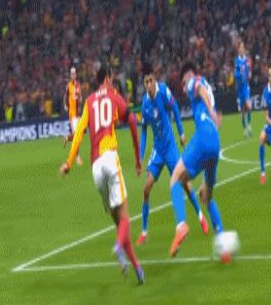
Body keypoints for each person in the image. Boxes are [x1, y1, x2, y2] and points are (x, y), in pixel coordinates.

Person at [60, 65, 145, 284]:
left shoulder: (88, 102)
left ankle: (136, 267)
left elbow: (79, 132)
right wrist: (137, 158)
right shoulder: (113, 95)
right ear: (106, 79)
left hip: (96, 167)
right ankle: (118, 248)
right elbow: (132, 121)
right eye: (111, 79)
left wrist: (69, 163)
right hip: (110, 158)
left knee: (119, 224)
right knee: (125, 217)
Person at [136, 62, 208, 246]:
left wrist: (181, 132)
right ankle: (144, 231)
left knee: (185, 184)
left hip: (170, 148)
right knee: (146, 189)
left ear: (155, 80)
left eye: (151, 80)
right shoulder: (144, 104)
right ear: (144, 84)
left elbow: (175, 109)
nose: (149, 84)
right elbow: (143, 132)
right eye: (146, 82)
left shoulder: (163, 91)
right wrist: (140, 157)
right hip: (157, 150)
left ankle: (200, 216)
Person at [168, 62, 225, 257]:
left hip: (203, 137)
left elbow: (198, 89)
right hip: (215, 143)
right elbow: (204, 92)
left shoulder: (195, 81)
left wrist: (212, 112)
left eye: (184, 83)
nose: (184, 88)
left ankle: (181, 225)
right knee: (206, 196)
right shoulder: (207, 83)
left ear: (188, 76)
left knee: (175, 179)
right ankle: (223, 245)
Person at [63, 66, 83, 166]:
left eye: (74, 73)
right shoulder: (69, 85)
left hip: (78, 114)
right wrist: (65, 105)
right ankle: (77, 157)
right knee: (76, 135)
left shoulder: (78, 84)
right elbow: (65, 96)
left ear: (76, 74)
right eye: (71, 74)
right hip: (72, 114)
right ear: (70, 75)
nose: (73, 75)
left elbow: (80, 97)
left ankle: (67, 137)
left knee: (79, 135)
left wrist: (80, 99)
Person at [234, 41, 253, 137]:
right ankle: (245, 129)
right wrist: (239, 75)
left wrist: (249, 73)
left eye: (243, 47)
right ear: (238, 50)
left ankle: (249, 125)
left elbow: (249, 71)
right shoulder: (237, 61)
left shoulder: (247, 60)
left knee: (249, 107)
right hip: (240, 88)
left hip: (246, 87)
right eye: (240, 47)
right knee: (243, 111)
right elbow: (236, 75)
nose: (242, 49)